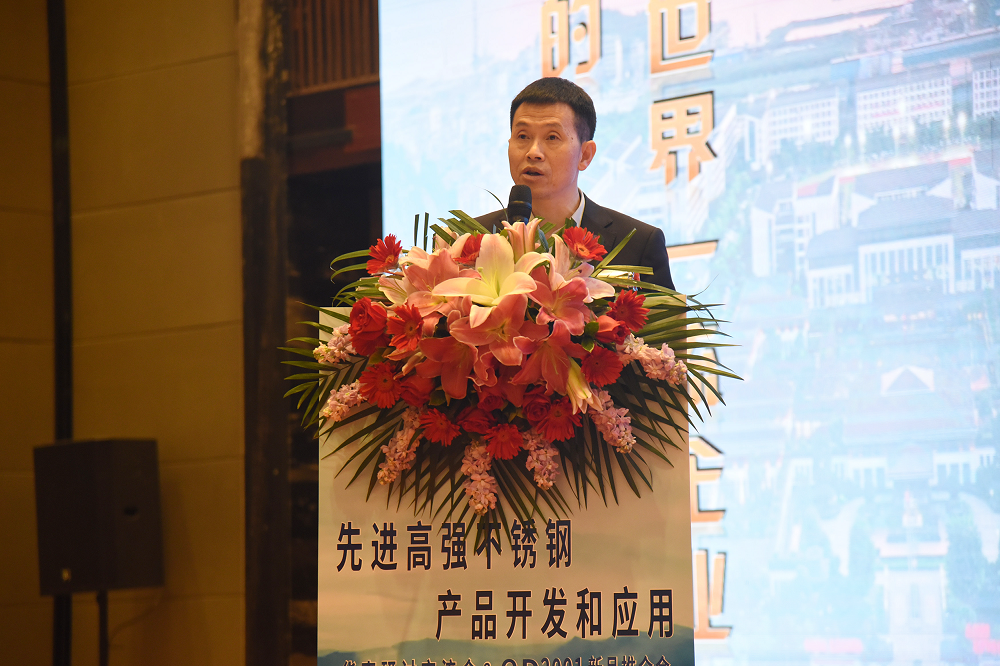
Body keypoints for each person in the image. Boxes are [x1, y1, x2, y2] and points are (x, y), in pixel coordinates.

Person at [477, 77, 675, 290]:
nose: (533, 152)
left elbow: (664, 312)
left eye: (552, 137)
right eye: (523, 136)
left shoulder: (639, 244)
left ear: (585, 155)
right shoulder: (474, 240)